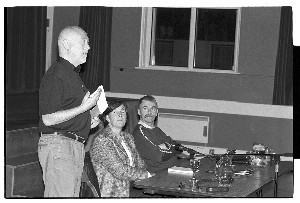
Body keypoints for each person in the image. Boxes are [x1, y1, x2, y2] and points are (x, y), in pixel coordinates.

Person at [38, 26, 102, 197]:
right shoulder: (56, 74)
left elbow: (68, 111)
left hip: (72, 145)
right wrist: (83, 108)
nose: (88, 48)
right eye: (84, 42)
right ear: (66, 44)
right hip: (59, 145)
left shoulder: (72, 74)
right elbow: (48, 119)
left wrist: (88, 119)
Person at [90, 100, 148, 197]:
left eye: (122, 111)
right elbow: (119, 170)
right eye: (115, 112)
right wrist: (146, 175)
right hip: (113, 193)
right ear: (107, 118)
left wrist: (143, 174)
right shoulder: (102, 140)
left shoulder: (128, 137)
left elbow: (140, 164)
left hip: (133, 187)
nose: (120, 115)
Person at [132, 95, 186, 176]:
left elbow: (179, 148)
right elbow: (159, 156)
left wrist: (165, 146)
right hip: (154, 178)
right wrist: (170, 147)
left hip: (170, 171)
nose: (149, 112)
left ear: (156, 112)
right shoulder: (139, 133)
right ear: (139, 112)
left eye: (153, 108)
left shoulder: (157, 130)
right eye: (145, 108)